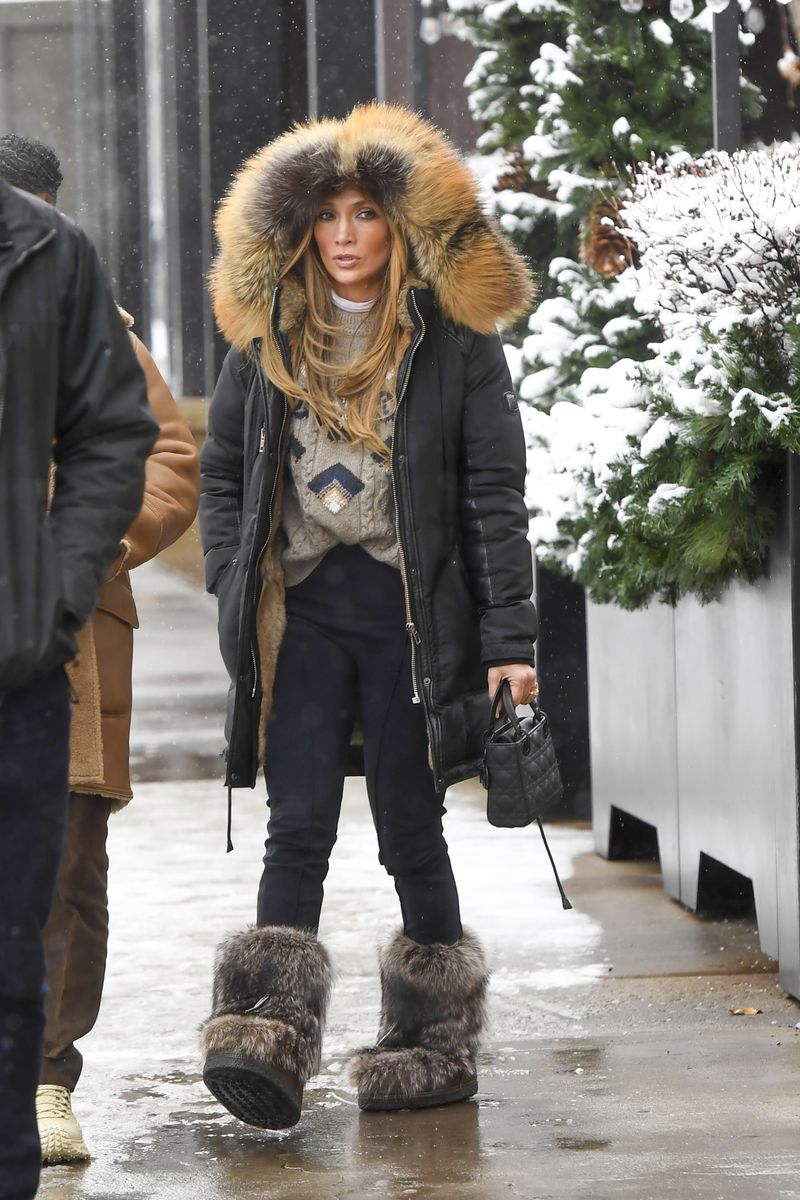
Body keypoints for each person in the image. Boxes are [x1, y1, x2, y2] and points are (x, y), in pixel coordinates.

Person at [198, 102, 538, 1130]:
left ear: (397, 227)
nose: (345, 234)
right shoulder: (262, 339)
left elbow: (492, 494)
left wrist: (510, 643)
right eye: (327, 216)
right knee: (294, 824)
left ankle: (431, 1045)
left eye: (365, 213)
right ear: (298, 230)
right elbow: (222, 475)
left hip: (407, 615)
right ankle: (263, 1043)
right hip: (300, 614)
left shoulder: (453, 344)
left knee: (407, 824)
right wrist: (230, 582)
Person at [0, 135, 202, 1164]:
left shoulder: (97, 321)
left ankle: (46, 1077)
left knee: (65, 863)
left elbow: (165, 456)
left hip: (69, 634)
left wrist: (88, 549)